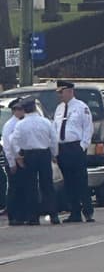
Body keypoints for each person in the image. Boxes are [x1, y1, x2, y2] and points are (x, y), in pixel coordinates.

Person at [7, 98, 60, 226]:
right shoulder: (46, 122)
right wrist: (54, 154)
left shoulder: (21, 124)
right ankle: (54, 215)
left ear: (25, 109)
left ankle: (33, 217)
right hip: (44, 153)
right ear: (35, 108)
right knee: (47, 185)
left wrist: (18, 154)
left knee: (31, 186)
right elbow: (54, 139)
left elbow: (13, 141)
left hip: (29, 155)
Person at [53, 80, 95, 223]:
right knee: (69, 183)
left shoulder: (81, 107)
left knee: (81, 181)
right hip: (63, 148)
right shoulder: (59, 109)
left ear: (70, 91)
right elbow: (55, 129)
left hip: (76, 148)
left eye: (61, 92)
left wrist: (83, 146)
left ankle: (88, 211)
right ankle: (75, 212)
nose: (60, 95)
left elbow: (88, 128)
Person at [2, 98, 28, 225]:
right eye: (20, 109)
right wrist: (12, 163)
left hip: (22, 160)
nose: (23, 111)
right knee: (14, 189)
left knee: (22, 188)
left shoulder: (22, 123)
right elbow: (7, 146)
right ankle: (13, 216)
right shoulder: (10, 125)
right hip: (14, 161)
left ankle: (22, 215)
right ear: (14, 111)